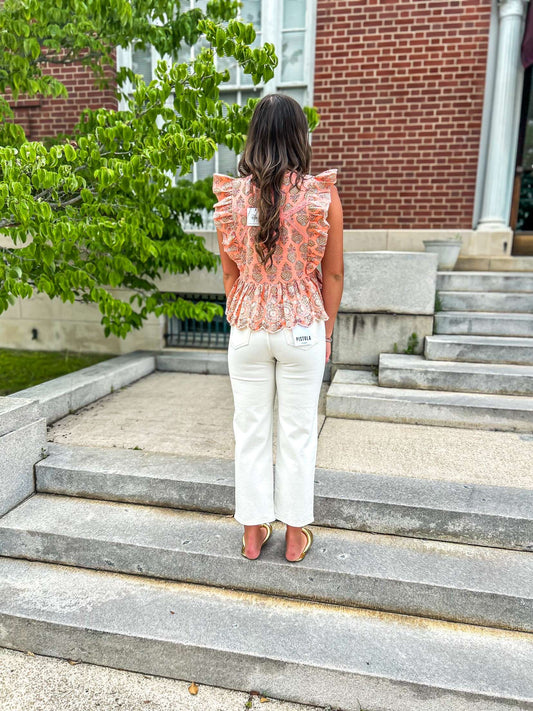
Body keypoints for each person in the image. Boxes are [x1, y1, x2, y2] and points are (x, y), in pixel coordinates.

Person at [212, 92, 344, 563]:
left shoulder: (230, 197)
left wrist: (249, 312)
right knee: (298, 431)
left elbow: (230, 275)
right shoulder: (319, 195)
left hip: (248, 325)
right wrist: (325, 334)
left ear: (254, 137)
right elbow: (332, 274)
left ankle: (252, 534)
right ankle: (293, 538)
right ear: (298, 136)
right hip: (303, 325)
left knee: (248, 429)